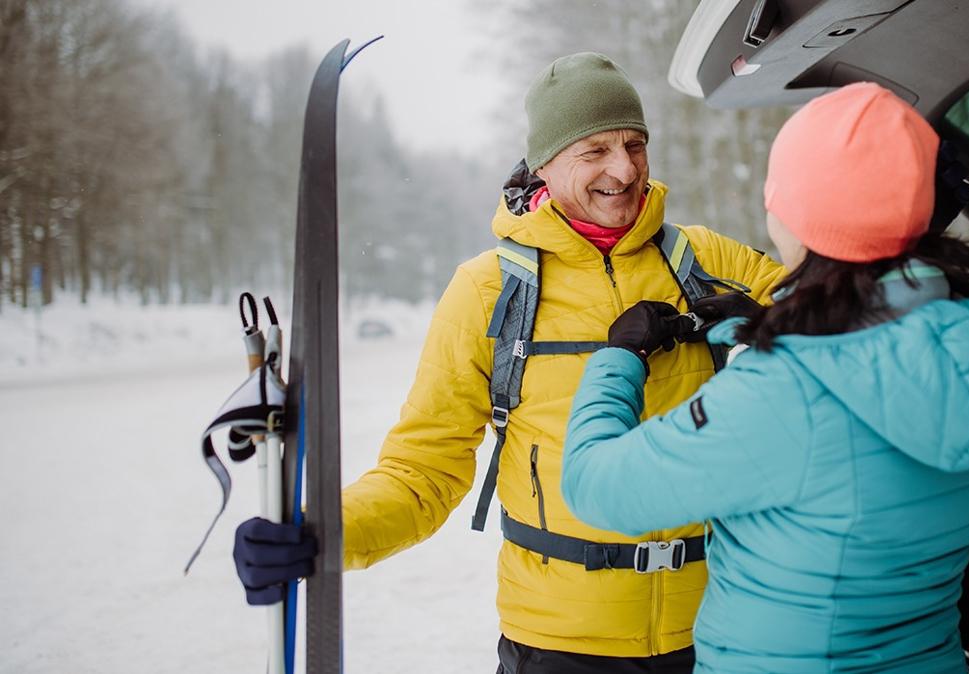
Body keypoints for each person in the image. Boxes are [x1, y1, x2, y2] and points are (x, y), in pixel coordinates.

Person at [232, 52, 786, 672]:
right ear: (546, 164)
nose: (625, 168)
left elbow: (845, 328)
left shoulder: (708, 260)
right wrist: (322, 534)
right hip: (558, 642)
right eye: (595, 150)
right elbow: (424, 470)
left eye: (635, 144)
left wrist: (773, 320)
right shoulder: (489, 290)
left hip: (719, 627)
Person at [560, 82, 969, 673]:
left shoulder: (785, 395)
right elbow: (861, 398)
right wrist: (772, 327)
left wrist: (619, 360)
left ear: (800, 209)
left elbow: (594, 485)